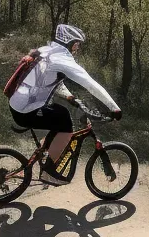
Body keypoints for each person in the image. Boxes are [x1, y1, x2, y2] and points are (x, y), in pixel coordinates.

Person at [8, 23, 121, 185]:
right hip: (26, 110)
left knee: (59, 113)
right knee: (65, 122)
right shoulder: (63, 59)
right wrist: (114, 108)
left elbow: (51, 81)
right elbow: (90, 84)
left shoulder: (45, 51)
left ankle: (45, 152)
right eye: (77, 44)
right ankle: (49, 172)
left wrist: (70, 98)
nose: (77, 48)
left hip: (18, 103)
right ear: (70, 43)